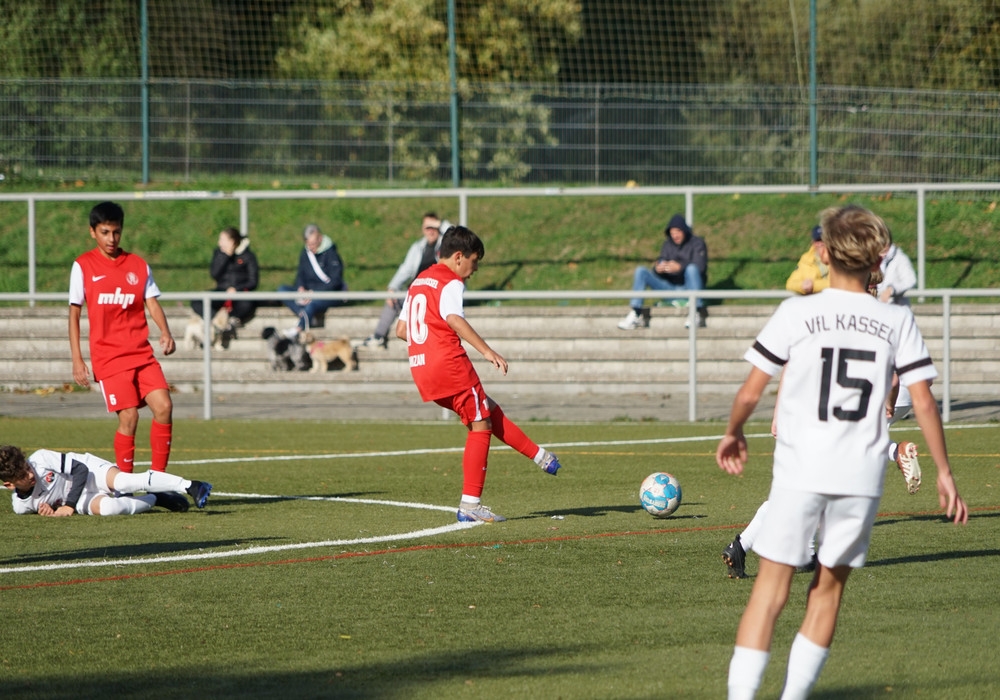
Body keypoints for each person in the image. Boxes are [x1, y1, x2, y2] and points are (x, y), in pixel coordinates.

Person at [715, 204, 967, 700]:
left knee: (770, 592)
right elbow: (924, 401)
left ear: (825, 254)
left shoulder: (797, 311)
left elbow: (751, 390)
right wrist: (943, 471)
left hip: (801, 466)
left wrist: (734, 430)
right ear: (877, 261)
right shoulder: (896, 320)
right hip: (859, 476)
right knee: (826, 592)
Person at [396, 225, 563, 523]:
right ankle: (470, 504)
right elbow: (453, 318)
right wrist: (488, 351)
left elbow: (400, 330)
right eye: (474, 262)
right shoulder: (450, 281)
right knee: (480, 424)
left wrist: (427, 343)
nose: (474, 270)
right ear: (459, 257)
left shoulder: (419, 281)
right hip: (449, 365)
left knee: (485, 408)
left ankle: (540, 456)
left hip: (422, 368)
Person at [69, 201, 176, 474]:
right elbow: (74, 314)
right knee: (129, 417)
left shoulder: (138, 265)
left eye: (116, 232)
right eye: (105, 232)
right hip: (109, 356)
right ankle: (125, 486)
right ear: (93, 232)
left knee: (164, 406)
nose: (111, 239)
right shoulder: (83, 266)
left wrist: (165, 332)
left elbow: (151, 302)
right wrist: (78, 360)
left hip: (141, 353)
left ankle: (159, 480)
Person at [0, 444, 212, 516]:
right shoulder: (21, 506)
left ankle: (191, 486)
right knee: (111, 509)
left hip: (90, 473)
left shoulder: (40, 459)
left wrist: (69, 507)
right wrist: (46, 511)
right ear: (8, 484)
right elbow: (40, 506)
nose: (30, 475)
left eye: (27, 468)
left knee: (123, 482)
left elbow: (80, 470)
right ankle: (156, 499)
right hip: (78, 499)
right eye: (21, 476)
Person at [362, 212, 450, 350]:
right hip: (420, 291)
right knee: (393, 299)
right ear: (422, 229)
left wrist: (439, 224)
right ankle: (378, 337)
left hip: (439, 291)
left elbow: (459, 233)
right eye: (427, 227)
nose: (431, 230)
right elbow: (405, 269)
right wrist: (393, 287)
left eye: (433, 227)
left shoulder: (447, 244)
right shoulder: (418, 247)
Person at [617, 213, 708, 330]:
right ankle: (636, 313)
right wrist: (658, 268)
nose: (675, 235)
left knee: (691, 269)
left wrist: (680, 267)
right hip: (670, 288)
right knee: (641, 271)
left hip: (689, 288)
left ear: (684, 230)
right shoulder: (667, 245)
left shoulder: (697, 243)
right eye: (672, 232)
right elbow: (661, 261)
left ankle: (696, 312)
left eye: (677, 231)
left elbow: (700, 267)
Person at [278, 223, 347, 334]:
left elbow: (335, 281)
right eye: (308, 244)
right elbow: (301, 274)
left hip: (327, 293)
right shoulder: (305, 253)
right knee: (282, 290)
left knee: (312, 304)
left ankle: (299, 329)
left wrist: (314, 292)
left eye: (313, 244)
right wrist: (300, 287)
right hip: (308, 292)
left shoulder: (331, 254)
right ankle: (305, 315)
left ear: (320, 238)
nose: (311, 248)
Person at [191, 226, 259, 329]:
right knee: (197, 301)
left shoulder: (248, 256)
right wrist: (225, 256)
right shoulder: (219, 253)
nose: (219, 243)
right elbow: (214, 274)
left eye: (222, 240)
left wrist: (237, 289)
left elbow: (253, 281)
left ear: (232, 241)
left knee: (247, 304)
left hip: (239, 293)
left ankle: (232, 320)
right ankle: (216, 321)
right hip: (222, 291)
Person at [875, 230, 917, 306]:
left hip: (895, 308)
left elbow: (910, 281)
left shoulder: (900, 258)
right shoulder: (872, 259)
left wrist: (892, 289)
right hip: (876, 309)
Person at [785, 225, 829, 295]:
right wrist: (802, 285)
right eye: (818, 240)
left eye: (824, 240)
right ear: (813, 243)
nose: (821, 244)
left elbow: (839, 284)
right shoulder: (806, 259)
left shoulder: (838, 258)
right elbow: (790, 284)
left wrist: (814, 285)